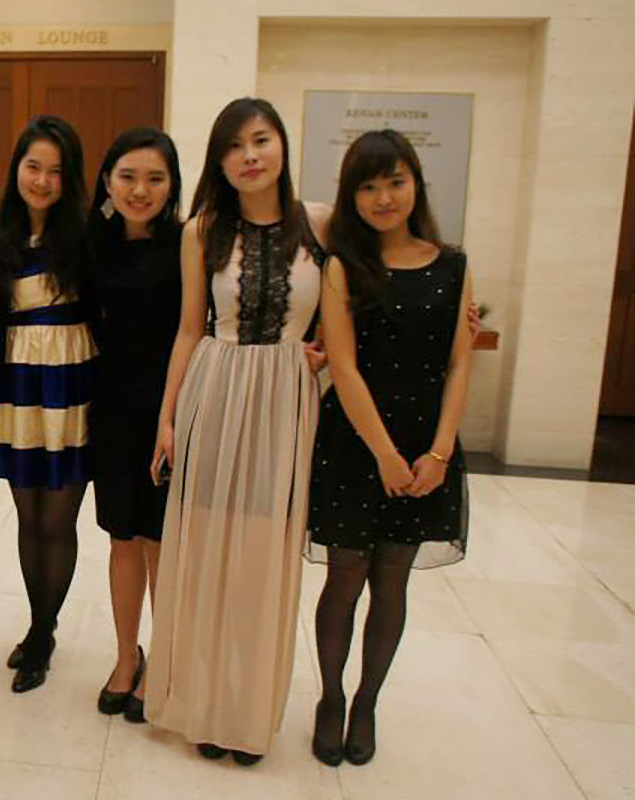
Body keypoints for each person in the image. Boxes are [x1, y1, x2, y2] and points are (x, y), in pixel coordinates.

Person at [145, 97, 330, 766]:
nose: (249, 155)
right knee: (205, 555)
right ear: (219, 161)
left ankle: (247, 711)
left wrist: (328, 358)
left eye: (261, 140)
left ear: (282, 144)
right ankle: (202, 705)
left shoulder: (322, 224)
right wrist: (168, 417)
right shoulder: (202, 230)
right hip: (215, 392)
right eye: (234, 146)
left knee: (262, 560)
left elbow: (349, 321)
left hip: (285, 399)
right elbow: (190, 328)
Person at [307, 129, 473, 767]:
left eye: (395, 182)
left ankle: (366, 702)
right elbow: (343, 368)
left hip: (426, 446)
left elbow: (460, 365)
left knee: (392, 583)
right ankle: (328, 697)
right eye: (369, 185)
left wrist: (437, 453)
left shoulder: (452, 263)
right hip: (356, 445)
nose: (383, 197)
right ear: (352, 195)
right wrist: (382, 454)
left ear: (416, 185)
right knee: (346, 579)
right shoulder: (345, 266)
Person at [0, 115, 95, 694]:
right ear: (16, 169)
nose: (43, 180)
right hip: (17, 384)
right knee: (28, 518)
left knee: (59, 519)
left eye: (56, 170)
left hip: (70, 383)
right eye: (33, 167)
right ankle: (38, 629)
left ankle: (44, 629)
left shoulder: (87, 234)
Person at [85, 128, 182, 721]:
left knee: (162, 543)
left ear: (172, 185)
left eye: (155, 178)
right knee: (123, 539)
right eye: (127, 177)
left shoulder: (190, 241)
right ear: (107, 181)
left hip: (171, 410)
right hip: (112, 409)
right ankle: (127, 657)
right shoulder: (94, 240)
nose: (140, 190)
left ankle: (167, 659)